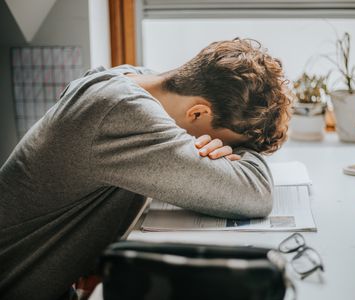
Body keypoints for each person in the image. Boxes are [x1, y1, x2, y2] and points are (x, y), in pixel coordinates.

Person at [0, 38, 291, 299]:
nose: (215, 149)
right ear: (198, 112)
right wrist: (241, 154)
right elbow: (256, 194)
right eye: (221, 141)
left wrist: (226, 145)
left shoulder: (134, 79)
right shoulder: (123, 112)